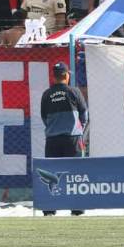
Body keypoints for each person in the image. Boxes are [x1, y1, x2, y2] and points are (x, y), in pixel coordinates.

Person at [39, 62, 88, 216]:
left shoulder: (46, 94)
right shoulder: (74, 92)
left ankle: (49, 210)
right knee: (76, 172)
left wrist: (54, 128)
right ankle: (77, 209)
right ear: (67, 75)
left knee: (51, 172)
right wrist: (78, 128)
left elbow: (44, 117)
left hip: (52, 139)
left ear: (53, 77)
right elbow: (84, 114)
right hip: (72, 138)